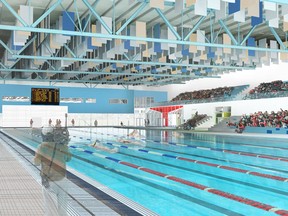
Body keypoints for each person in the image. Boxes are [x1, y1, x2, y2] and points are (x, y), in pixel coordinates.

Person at [34, 125, 71, 216]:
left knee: (50, 210)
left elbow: (36, 162)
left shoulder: (42, 146)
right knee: (63, 209)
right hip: (62, 180)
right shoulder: (63, 146)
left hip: (49, 181)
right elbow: (68, 159)